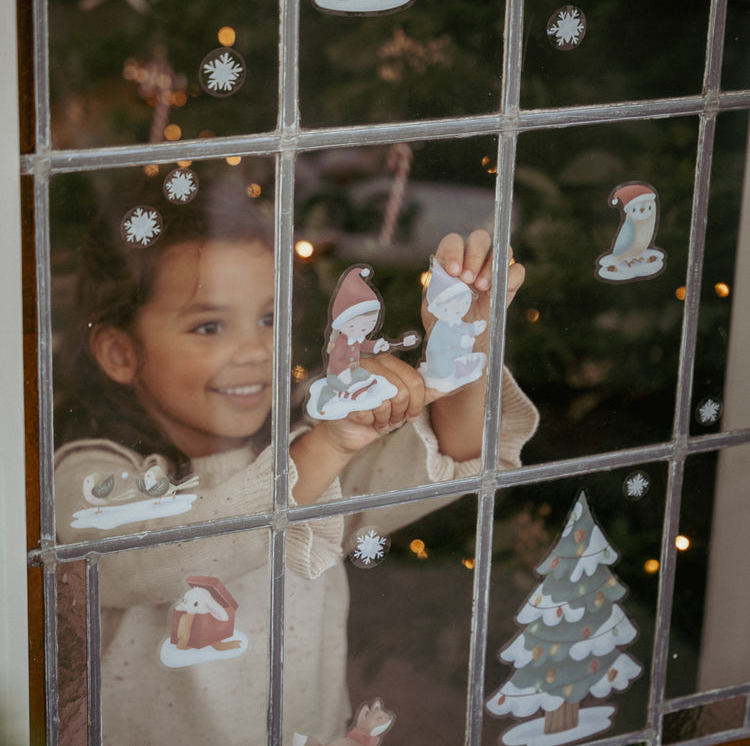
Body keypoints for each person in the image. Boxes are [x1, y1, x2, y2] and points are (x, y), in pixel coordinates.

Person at [53, 176, 538, 744]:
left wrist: (464, 342)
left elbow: (454, 457)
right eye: (209, 326)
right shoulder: (90, 478)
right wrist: (326, 446)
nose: (257, 351)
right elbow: (158, 552)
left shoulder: (302, 449)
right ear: (120, 352)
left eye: (267, 319)